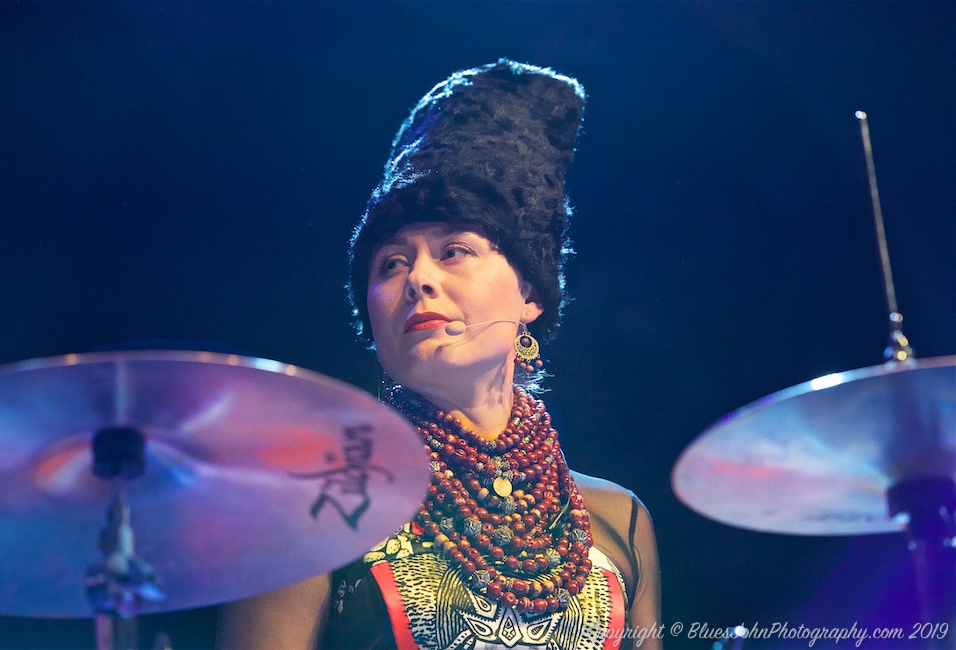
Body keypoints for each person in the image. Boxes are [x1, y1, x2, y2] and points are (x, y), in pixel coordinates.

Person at [217, 59, 661, 650]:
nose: (418, 279)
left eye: (454, 251)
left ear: (530, 294)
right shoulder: (312, 503)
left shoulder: (618, 519)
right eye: (391, 263)